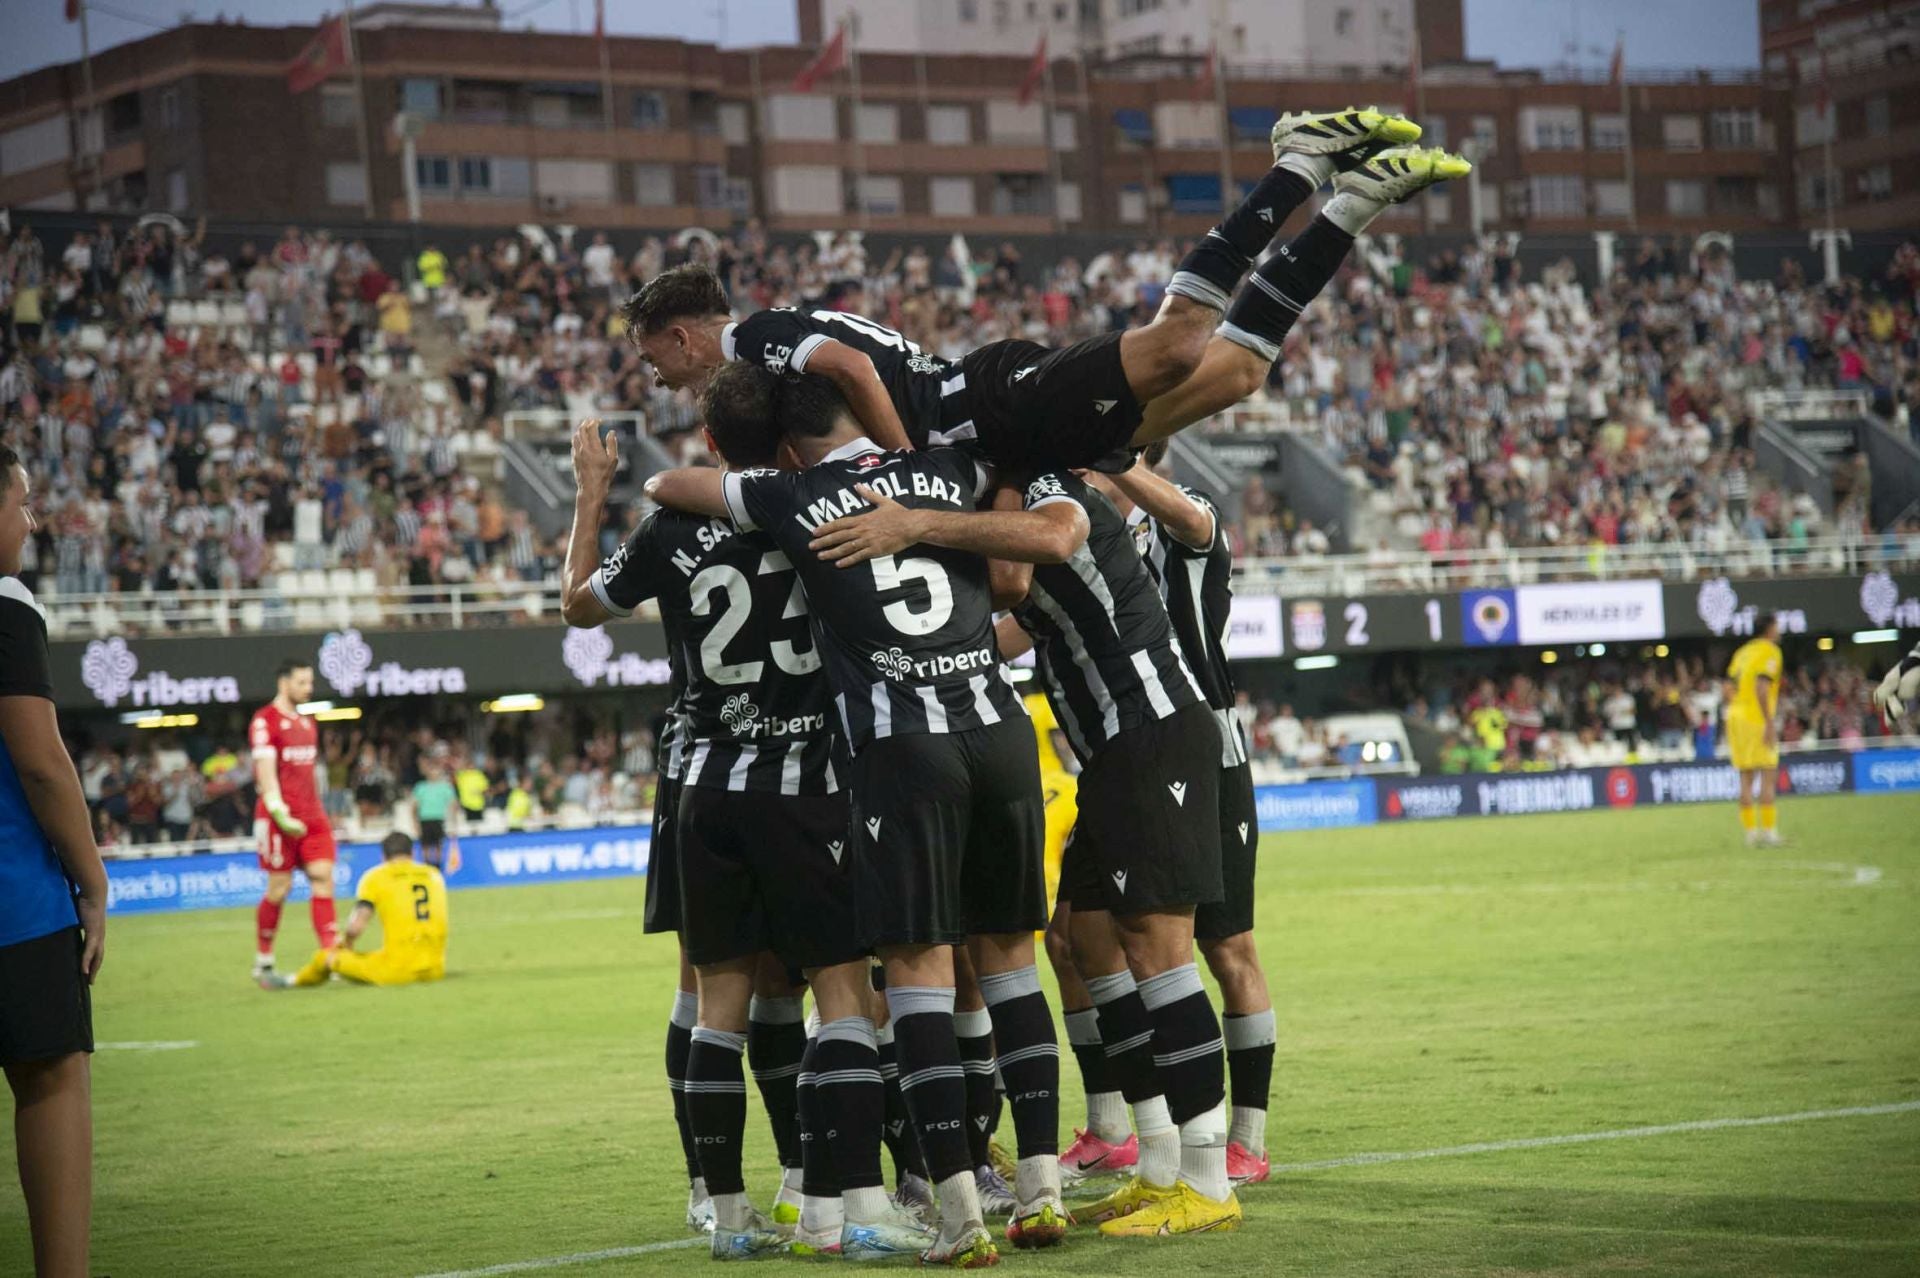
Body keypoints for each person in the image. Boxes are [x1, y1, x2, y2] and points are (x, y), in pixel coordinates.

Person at [648, 368, 1073, 1266]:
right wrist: (926, 506)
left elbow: (671, 485)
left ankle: (955, 1213)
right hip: (999, 730)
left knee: (913, 975)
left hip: (901, 745)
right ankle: (1041, 1188)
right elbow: (1046, 542)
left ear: (793, 442)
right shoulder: (952, 466)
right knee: (1009, 968)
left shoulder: (797, 493)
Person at [817, 461, 1241, 1237]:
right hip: (1113, 749)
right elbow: (1001, 627)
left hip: (1151, 728)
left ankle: (1208, 1179)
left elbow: (1012, 581)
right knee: (1080, 938)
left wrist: (916, 528)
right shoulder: (1012, 505)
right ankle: (1154, 1161)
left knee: (1161, 951)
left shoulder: (1039, 488)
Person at [626, 110, 1465, 470]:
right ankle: (1350, 207)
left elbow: (847, 363)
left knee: (1176, 345)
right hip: (1001, 445)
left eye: (652, 359)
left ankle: (1298, 161)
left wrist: (905, 468)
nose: (657, 378)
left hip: (979, 408)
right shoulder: (754, 373)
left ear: (682, 335)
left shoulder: (752, 339)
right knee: (1235, 374)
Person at [563, 409, 879, 1261]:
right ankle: (840, 1204)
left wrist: (593, 493)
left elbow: (578, 606)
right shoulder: (820, 509)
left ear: (710, 446)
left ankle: (727, 1213)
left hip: (701, 786)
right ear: (786, 444)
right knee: (842, 994)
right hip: (806, 788)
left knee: (716, 1006)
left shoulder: (668, 528)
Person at [1103, 448, 1275, 1186]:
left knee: (1227, 946)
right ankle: (1148, 1134)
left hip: (1211, 744)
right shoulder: (1093, 531)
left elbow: (1197, 521)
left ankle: (1247, 1139)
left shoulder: (1180, 515)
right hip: (1137, 752)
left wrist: (1115, 463)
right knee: (1114, 938)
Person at [0, 443, 108, 1278]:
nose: (32, 522)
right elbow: (40, 759)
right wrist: (94, 881)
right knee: (49, 1078)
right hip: (14, 900)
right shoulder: (6, 603)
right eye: (23, 503)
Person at [264, 833, 447, 988]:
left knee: (325, 957)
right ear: (412, 853)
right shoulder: (433, 874)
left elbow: (356, 926)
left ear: (383, 857)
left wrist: (346, 944)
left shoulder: (376, 877)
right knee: (373, 956)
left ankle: (291, 981)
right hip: (435, 968)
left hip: (397, 972)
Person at [250, 660, 338, 983]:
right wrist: (279, 811)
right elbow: (266, 774)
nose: (308, 689)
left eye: (310, 682)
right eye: (302, 682)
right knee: (279, 887)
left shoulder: (307, 722)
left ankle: (332, 957)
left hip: (312, 814)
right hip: (278, 818)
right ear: (283, 683)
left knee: (323, 876)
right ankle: (264, 960)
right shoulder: (265, 721)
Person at [1725, 615, 1786, 846]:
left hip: (1735, 716)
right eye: (1777, 626)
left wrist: (1738, 707)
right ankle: (1769, 832)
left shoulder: (1742, 652)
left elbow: (1727, 687)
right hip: (1755, 717)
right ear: (1770, 628)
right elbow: (1762, 687)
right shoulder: (1770, 651)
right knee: (1768, 776)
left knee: (1745, 779)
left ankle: (1751, 834)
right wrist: (1769, 722)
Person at [411, 759, 457, 869]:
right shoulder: (420, 787)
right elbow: (414, 807)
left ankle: (438, 867)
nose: (433, 772)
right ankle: (426, 866)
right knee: (425, 845)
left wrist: (453, 822)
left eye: (436, 770)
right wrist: (415, 823)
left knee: (438, 845)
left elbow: (453, 804)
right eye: (431, 770)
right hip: (425, 819)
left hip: (439, 818)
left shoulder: (445, 787)